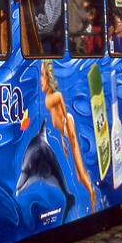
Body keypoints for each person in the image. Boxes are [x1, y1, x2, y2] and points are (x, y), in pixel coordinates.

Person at [41, 60, 95, 212]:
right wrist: (63, 142)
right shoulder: (49, 96)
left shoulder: (56, 95)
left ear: (48, 77)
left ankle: (91, 195)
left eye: (42, 75)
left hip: (68, 125)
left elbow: (63, 113)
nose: (40, 79)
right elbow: (56, 119)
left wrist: (70, 136)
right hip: (64, 129)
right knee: (78, 176)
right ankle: (91, 193)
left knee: (78, 165)